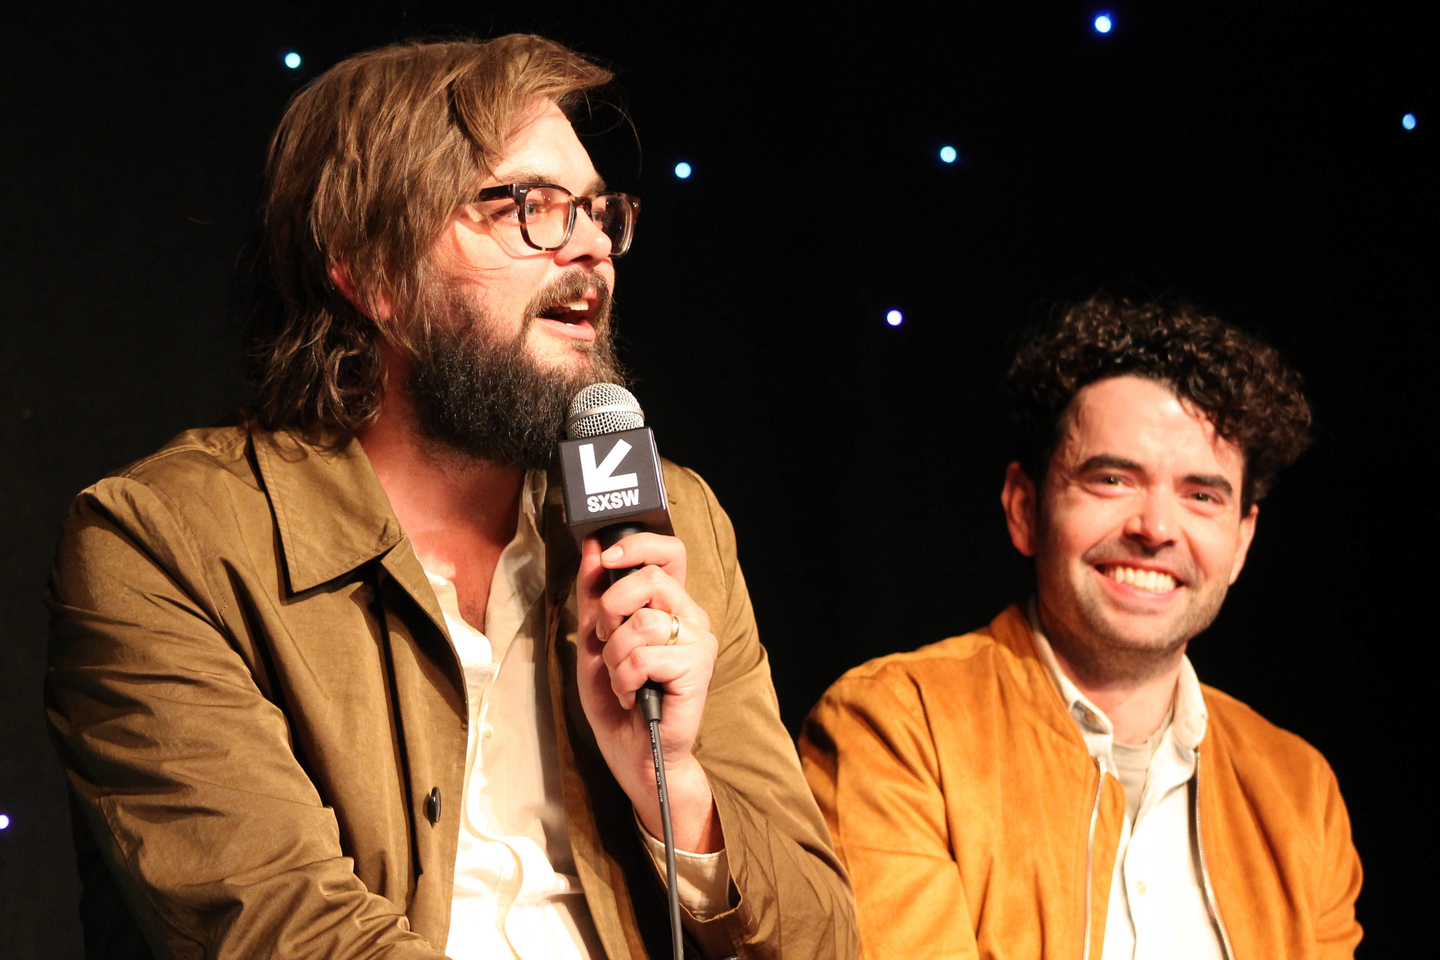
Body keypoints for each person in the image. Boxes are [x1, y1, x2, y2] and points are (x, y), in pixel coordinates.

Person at [46, 36, 857, 960]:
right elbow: (286, 936)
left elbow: (823, 939)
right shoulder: (162, 545)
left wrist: (674, 785)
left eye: (597, 210)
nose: (590, 245)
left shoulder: (674, 525)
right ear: (369, 273)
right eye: (530, 208)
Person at [800, 296, 1362, 959]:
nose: (1154, 528)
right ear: (1023, 508)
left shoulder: (1300, 789)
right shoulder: (895, 726)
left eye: (1201, 495)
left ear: (1241, 542)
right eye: (1112, 480)